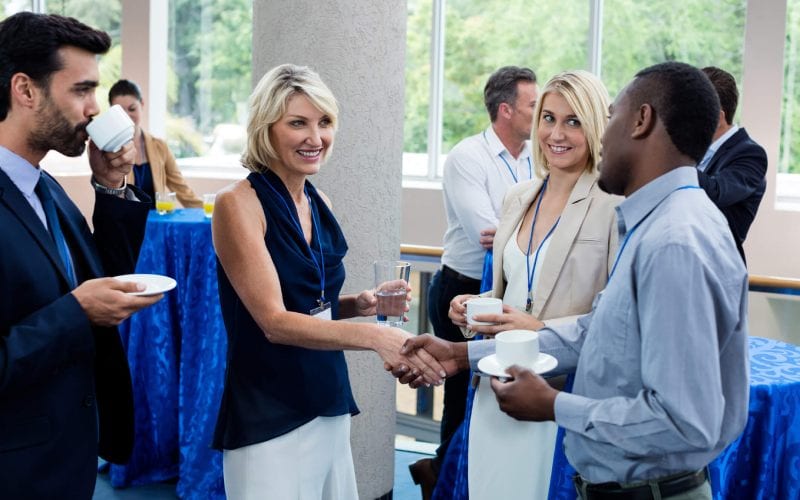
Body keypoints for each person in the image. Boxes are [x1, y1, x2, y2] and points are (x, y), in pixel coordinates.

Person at [400, 61, 750, 500]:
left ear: (640, 122)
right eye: (549, 118)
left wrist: (553, 405)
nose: (602, 134)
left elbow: (683, 421)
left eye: (609, 118)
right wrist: (461, 353)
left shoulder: (674, 241)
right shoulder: (659, 223)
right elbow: (597, 334)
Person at [210, 63, 444, 498]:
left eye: (324, 122)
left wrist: (362, 303)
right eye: (297, 123)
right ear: (266, 127)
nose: (315, 138)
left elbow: (312, 303)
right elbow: (275, 322)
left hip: (326, 392)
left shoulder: (320, 200)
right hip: (270, 404)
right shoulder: (236, 204)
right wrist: (375, 338)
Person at [0, 12, 163, 499]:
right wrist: (76, 312)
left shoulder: (43, 186)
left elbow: (106, 277)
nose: (96, 109)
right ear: (26, 90)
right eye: (82, 90)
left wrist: (112, 186)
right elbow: (79, 305)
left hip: (67, 460)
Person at [436, 70, 620, 500]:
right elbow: (509, 291)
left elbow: (614, 322)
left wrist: (536, 328)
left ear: (595, 127)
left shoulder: (613, 204)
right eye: (548, 118)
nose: (556, 134)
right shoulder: (518, 197)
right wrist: (472, 305)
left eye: (573, 121)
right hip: (495, 386)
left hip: (558, 395)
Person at [415, 65, 539, 497]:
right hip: (460, 288)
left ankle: (455, 473)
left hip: (510, 294)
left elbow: (511, 232)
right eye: (532, 104)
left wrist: (515, 226)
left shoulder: (536, 158)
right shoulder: (468, 157)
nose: (540, 113)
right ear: (506, 110)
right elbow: (487, 234)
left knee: (494, 392)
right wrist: (527, 226)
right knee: (459, 395)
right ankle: (442, 479)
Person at [696, 66, 767, 263]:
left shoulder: (751, 154)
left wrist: (675, 157)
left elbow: (716, 192)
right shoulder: (696, 153)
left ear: (717, 118)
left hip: (716, 266)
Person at [108, 79, 202, 207]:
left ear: (142, 104)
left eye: (132, 109)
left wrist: (212, 213)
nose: (127, 116)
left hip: (157, 221)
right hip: (125, 224)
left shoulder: (159, 147)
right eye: (121, 112)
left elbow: (182, 190)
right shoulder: (109, 151)